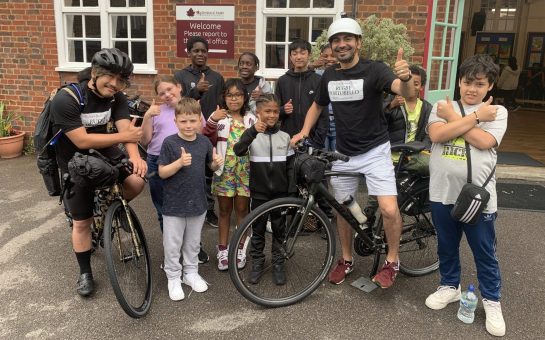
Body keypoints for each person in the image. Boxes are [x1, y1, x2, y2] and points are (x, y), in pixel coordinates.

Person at [291, 17, 416, 288]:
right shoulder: (331, 76)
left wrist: (405, 78)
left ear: (358, 43)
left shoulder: (375, 70)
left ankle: (392, 261)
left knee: (389, 209)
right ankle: (346, 259)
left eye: (347, 39)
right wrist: (303, 131)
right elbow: (317, 106)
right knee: (343, 209)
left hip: (375, 151)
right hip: (343, 153)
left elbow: (404, 91)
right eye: (336, 40)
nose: (341, 44)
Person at [51, 48, 147, 297]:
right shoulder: (67, 98)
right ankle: (85, 273)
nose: (114, 84)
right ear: (94, 73)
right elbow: (82, 141)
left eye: (121, 79)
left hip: (106, 153)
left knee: (136, 182)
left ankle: (109, 209)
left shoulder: (117, 98)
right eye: (109, 77)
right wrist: (126, 136)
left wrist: (135, 157)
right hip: (75, 162)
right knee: (82, 223)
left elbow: (127, 129)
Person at [424, 54, 507, 337]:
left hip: (478, 198)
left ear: (490, 87)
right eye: (467, 82)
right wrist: (473, 118)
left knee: (484, 251)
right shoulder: (442, 106)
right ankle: (449, 286)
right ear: (459, 82)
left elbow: (485, 141)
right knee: (446, 245)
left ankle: (492, 300)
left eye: (479, 84)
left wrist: (456, 121)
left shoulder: (498, 113)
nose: (472, 89)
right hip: (441, 193)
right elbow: (437, 135)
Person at [158, 97, 224, 301]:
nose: (188, 125)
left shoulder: (204, 142)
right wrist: (178, 163)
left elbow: (208, 168)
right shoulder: (170, 143)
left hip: (197, 201)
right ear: (176, 121)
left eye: (193, 121)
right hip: (174, 204)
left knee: (193, 242)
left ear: (200, 122)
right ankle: (173, 277)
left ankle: (191, 273)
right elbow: (162, 172)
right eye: (184, 121)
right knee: (172, 243)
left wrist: (215, 164)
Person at [140, 75, 209, 264]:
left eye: (170, 89)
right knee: (165, 209)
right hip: (157, 161)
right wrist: (147, 116)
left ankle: (194, 247)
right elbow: (145, 140)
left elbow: (200, 137)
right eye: (162, 93)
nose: (167, 95)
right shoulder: (156, 111)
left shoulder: (192, 109)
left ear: (179, 87)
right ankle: (172, 251)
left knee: (190, 204)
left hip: (186, 160)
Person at [233, 93, 295, 285]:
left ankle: (278, 263)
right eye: (267, 111)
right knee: (258, 229)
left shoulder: (285, 137)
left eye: (276, 111)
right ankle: (257, 263)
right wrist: (252, 132)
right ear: (258, 112)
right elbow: (238, 150)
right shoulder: (251, 134)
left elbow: (291, 167)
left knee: (279, 229)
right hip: (259, 193)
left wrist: (291, 192)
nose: (272, 115)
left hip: (280, 194)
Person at [203, 78, 256, 271]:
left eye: (238, 95)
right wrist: (212, 120)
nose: (234, 99)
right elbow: (205, 137)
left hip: (246, 172)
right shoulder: (219, 117)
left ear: (245, 97)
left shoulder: (251, 118)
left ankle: (240, 248)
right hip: (224, 172)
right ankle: (223, 249)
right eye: (230, 95)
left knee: (242, 211)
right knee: (224, 212)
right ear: (224, 97)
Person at [174, 36, 224, 228]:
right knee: (189, 171)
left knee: (209, 171)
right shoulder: (181, 77)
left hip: (210, 131)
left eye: (203, 51)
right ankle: (190, 207)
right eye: (196, 50)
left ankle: (209, 210)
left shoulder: (217, 77)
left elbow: (222, 102)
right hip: (187, 131)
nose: (200, 54)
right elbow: (178, 104)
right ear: (189, 53)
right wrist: (196, 92)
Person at [276, 38, 329, 149]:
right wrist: (283, 110)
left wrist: (318, 142)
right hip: (287, 140)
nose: (298, 57)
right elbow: (274, 112)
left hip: (312, 140)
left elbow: (324, 115)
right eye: (294, 54)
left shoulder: (318, 80)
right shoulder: (282, 81)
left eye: (302, 53)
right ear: (290, 57)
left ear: (309, 55)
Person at [312, 44, 338, 151]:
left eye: (333, 56)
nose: (329, 59)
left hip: (339, 125)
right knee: (322, 160)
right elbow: (297, 73)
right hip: (322, 125)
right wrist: (312, 65)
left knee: (339, 161)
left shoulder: (345, 75)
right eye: (325, 56)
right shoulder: (316, 75)